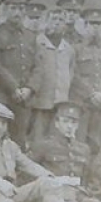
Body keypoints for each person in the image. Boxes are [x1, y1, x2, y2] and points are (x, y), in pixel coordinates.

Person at [0, 0, 42, 149]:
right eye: (13, 8)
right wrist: (14, 88)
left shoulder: (30, 36)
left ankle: (16, 173)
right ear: (5, 9)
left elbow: (38, 67)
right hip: (2, 96)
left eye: (21, 8)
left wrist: (30, 89)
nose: (18, 12)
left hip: (24, 100)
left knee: (19, 142)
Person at [69, 8, 101, 153]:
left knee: (100, 144)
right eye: (91, 24)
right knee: (79, 142)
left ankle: (96, 174)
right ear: (84, 26)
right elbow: (73, 75)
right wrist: (90, 93)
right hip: (82, 103)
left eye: (99, 24)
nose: (95, 28)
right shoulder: (75, 49)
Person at [28, 8, 75, 142]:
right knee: (37, 139)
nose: (57, 23)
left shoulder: (69, 50)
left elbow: (71, 73)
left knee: (56, 140)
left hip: (60, 103)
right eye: (53, 19)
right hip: (39, 103)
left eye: (61, 20)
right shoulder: (36, 43)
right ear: (45, 22)